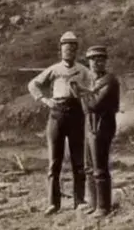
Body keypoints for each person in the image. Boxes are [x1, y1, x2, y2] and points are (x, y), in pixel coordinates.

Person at [27, 31, 92, 215]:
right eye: (66, 47)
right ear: (61, 50)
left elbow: (94, 88)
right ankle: (53, 203)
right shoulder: (55, 69)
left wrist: (83, 92)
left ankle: (79, 200)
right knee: (54, 161)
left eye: (72, 48)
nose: (69, 51)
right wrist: (45, 100)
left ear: (76, 51)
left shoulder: (84, 70)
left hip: (76, 113)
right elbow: (33, 84)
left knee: (78, 159)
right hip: (57, 113)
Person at [71, 45, 121, 218]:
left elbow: (93, 105)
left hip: (102, 125)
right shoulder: (93, 82)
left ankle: (103, 207)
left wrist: (79, 93)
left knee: (99, 167)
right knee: (88, 167)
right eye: (93, 60)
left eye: (100, 59)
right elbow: (89, 103)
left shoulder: (110, 81)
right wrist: (81, 92)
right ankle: (93, 203)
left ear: (105, 61)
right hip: (90, 125)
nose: (96, 63)